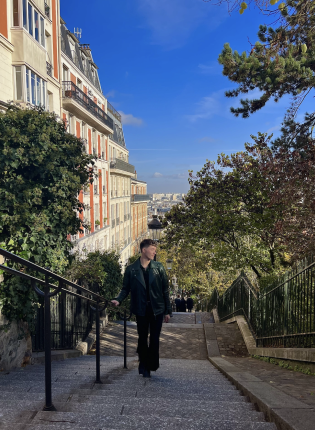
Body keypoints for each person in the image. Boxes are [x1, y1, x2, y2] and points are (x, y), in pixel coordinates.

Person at [111, 239, 172, 378]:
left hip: (157, 309)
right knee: (142, 338)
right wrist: (118, 300)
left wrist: (168, 311)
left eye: (154, 250)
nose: (154, 252)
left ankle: (151, 364)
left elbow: (165, 291)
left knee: (155, 339)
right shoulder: (131, 269)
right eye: (152, 249)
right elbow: (125, 289)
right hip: (140, 309)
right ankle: (143, 364)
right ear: (144, 250)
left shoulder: (159, 267)